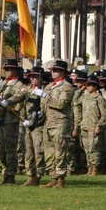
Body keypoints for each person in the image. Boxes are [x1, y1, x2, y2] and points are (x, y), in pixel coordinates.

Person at [39, 60, 75, 188]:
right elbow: (44, 105)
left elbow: (61, 104)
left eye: (55, 70)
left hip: (61, 123)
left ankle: (60, 180)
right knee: (49, 154)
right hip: (48, 123)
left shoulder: (67, 87)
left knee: (60, 152)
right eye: (52, 70)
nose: (52, 72)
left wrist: (45, 96)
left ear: (63, 72)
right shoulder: (49, 87)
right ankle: (53, 177)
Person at [73, 75, 106, 176]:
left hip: (94, 127)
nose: (88, 87)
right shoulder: (85, 97)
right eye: (87, 85)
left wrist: (99, 126)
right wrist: (81, 89)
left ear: (96, 86)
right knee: (87, 149)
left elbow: (105, 114)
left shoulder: (99, 98)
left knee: (94, 149)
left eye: (90, 85)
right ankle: (89, 169)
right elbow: (75, 101)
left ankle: (95, 169)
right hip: (84, 126)